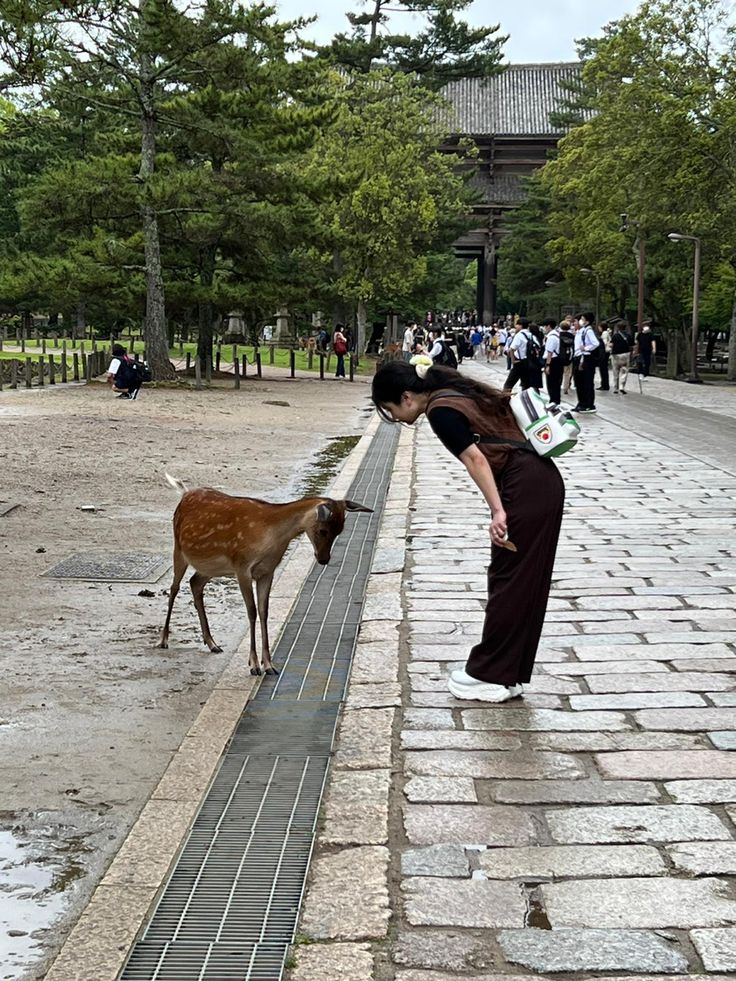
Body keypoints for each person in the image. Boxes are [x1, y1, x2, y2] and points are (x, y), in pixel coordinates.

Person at [371, 358, 565, 702]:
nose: (397, 419)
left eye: (391, 410)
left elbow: (475, 459)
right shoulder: (453, 392)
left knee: (509, 579)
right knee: (524, 580)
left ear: (405, 397)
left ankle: (489, 673)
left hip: (525, 485)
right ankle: (510, 673)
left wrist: (497, 510)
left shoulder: (440, 411)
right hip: (541, 479)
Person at [572, 313, 599, 413]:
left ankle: (589, 404)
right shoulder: (581, 331)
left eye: (582, 319)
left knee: (586, 382)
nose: (579, 321)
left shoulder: (588, 331)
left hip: (585, 357)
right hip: (578, 357)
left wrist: (586, 348)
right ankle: (581, 403)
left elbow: (596, 343)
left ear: (587, 321)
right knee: (579, 382)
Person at [503, 317, 535, 391]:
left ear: (521, 325)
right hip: (529, 362)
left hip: (519, 362)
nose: (515, 327)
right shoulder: (530, 335)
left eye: (516, 325)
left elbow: (512, 349)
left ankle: (505, 399)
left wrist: (513, 360)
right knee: (526, 385)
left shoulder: (519, 335)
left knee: (508, 384)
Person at [543, 319, 563, 407]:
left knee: (551, 382)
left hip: (552, 361)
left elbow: (549, 352)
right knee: (555, 382)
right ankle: (556, 400)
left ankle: (554, 401)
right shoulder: (557, 335)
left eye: (545, 326)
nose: (544, 328)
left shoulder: (551, 337)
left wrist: (547, 365)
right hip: (557, 361)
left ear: (548, 326)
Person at [610, 320, 632, 394]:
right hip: (625, 355)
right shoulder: (628, 336)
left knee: (615, 372)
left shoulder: (615, 336)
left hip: (616, 355)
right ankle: (622, 386)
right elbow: (633, 345)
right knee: (624, 371)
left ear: (617, 328)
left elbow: (611, 345)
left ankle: (616, 388)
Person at [597, 322, 612, 391]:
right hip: (606, 352)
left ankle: (604, 385)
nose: (598, 328)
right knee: (604, 369)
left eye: (599, 327)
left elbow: (604, 343)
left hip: (604, 353)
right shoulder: (607, 333)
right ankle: (604, 384)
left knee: (603, 369)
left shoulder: (604, 333)